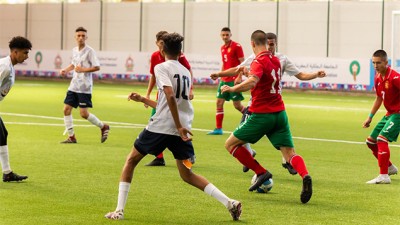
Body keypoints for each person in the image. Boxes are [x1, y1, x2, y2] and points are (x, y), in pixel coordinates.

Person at [104, 33, 242, 221]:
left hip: (163, 127)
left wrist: (177, 126)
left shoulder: (161, 67)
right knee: (187, 175)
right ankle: (230, 203)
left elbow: (169, 96)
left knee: (130, 161)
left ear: (162, 50)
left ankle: (119, 211)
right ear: (180, 51)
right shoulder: (185, 71)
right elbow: (170, 102)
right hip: (182, 128)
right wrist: (144, 99)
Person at [211, 32, 326, 174]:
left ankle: (262, 165)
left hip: (264, 107)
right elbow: (238, 69)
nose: (269, 47)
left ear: (275, 44)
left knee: (234, 141)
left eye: (271, 44)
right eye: (267, 43)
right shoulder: (255, 57)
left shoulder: (279, 59)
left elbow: (300, 75)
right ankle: (267, 157)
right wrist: (220, 74)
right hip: (261, 106)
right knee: (247, 126)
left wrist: (315, 74)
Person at [221, 30, 313, 204]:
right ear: (267, 42)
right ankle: (305, 175)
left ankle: (261, 172)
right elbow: (262, 77)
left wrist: (233, 88)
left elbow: (254, 81)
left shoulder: (258, 61)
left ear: (253, 44)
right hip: (280, 114)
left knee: (230, 144)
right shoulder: (277, 60)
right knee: (289, 154)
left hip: (261, 114)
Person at [144, 31, 195, 166]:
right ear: (156, 43)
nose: (161, 46)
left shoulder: (178, 57)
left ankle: (188, 153)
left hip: (173, 95)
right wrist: (147, 94)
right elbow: (153, 77)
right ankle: (160, 157)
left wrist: (190, 89)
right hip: (162, 94)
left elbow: (188, 71)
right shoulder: (155, 57)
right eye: (160, 43)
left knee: (174, 125)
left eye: (163, 43)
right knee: (161, 122)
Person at [59, 26, 110, 144]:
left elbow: (97, 67)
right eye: (78, 35)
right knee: (66, 109)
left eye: (83, 36)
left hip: (84, 87)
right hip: (74, 85)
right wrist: (65, 70)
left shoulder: (90, 51)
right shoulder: (74, 50)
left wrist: (83, 70)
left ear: (86, 37)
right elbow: (73, 64)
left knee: (83, 114)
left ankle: (103, 126)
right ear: (75, 37)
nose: (81, 38)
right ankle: (71, 137)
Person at [363, 49, 399, 184]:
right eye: (373, 63)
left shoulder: (395, 78)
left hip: (398, 114)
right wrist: (370, 117)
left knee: (381, 139)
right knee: (371, 141)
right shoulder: (377, 77)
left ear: (386, 62)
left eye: (378, 63)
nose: (375, 66)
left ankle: (383, 176)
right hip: (389, 114)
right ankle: (389, 167)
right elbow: (379, 98)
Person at [0, 36, 31, 182]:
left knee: (2, 134)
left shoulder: (10, 66)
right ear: (15, 52)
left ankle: (7, 173)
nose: (27, 56)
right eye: (25, 53)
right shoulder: (5, 67)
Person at [208, 27, 245, 135]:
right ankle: (218, 128)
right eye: (223, 35)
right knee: (219, 102)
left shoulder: (237, 46)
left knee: (237, 105)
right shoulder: (222, 48)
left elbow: (242, 63)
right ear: (221, 36)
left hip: (234, 79)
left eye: (227, 35)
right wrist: (220, 75)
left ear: (230, 35)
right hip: (224, 80)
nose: (225, 37)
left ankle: (252, 117)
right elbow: (224, 63)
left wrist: (239, 76)